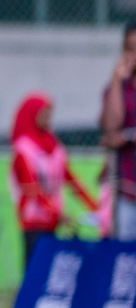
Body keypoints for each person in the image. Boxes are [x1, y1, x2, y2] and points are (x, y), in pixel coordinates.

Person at [11, 92, 97, 270]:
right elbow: (30, 187)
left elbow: (70, 178)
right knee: (34, 267)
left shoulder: (54, 145)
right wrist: (57, 213)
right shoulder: (24, 148)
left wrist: (95, 208)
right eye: (43, 114)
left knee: (50, 268)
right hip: (33, 219)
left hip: (52, 219)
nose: (48, 119)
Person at [100, 20, 136, 239]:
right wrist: (116, 79)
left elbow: (119, 136)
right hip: (126, 191)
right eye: (130, 48)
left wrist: (127, 136)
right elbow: (111, 127)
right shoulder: (119, 88)